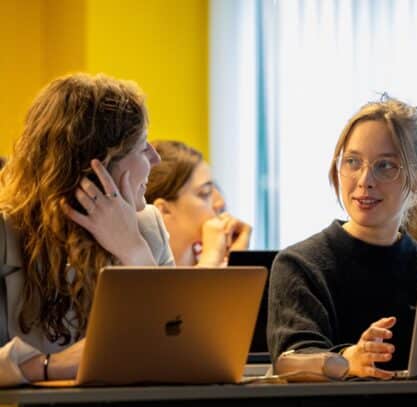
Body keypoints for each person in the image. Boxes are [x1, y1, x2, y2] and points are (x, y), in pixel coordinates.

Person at [0, 73, 173, 387]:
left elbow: (179, 345)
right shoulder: (4, 233)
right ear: (98, 164)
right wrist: (48, 367)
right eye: (141, 146)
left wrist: (134, 252)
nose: (156, 158)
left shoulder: (147, 229)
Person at [267, 95, 417, 381]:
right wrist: (345, 360)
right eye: (352, 161)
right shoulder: (300, 264)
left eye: (385, 165)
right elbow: (290, 360)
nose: (365, 180)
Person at [145, 140, 252, 267]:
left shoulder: (211, 254)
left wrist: (236, 261)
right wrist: (211, 257)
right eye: (205, 193)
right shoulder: (140, 266)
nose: (220, 203)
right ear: (162, 210)